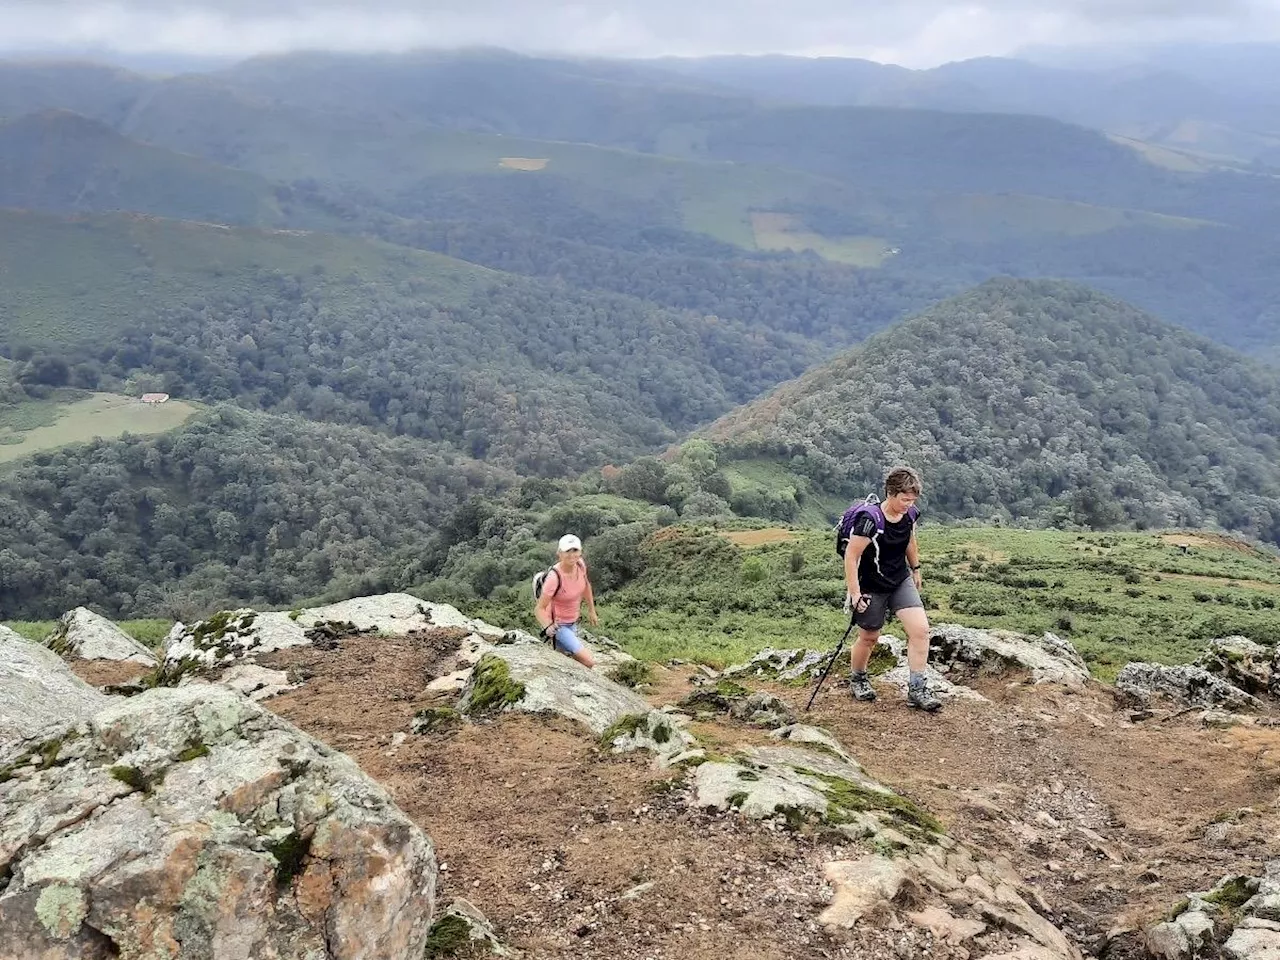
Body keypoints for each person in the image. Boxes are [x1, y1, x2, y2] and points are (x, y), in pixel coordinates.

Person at [843, 466, 941, 712]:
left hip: (899, 579)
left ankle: (917, 689)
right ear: (891, 493)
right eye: (905, 499)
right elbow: (851, 557)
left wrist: (915, 568)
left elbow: (909, 539)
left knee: (920, 631)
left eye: (912, 499)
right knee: (869, 637)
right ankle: (858, 678)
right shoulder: (870, 520)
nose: (909, 504)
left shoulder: (910, 515)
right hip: (871, 585)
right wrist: (855, 593)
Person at [534, 533, 599, 668]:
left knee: (563, 658)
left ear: (580, 552)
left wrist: (592, 610)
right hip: (559, 626)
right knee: (588, 662)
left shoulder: (580, 565)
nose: (572, 555)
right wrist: (548, 626)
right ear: (559, 553)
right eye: (567, 551)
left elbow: (586, 586)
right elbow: (539, 609)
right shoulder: (554, 578)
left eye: (575, 550)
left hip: (572, 622)